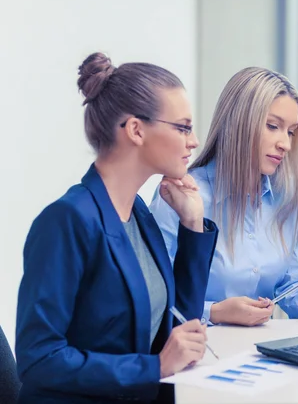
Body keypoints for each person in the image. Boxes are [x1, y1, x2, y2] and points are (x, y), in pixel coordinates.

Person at [16, 53, 218, 403]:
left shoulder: (138, 212)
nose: (194, 140)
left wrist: (192, 225)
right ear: (136, 129)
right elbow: (39, 359)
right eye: (183, 127)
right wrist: (153, 368)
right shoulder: (68, 220)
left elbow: (178, 324)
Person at [150, 66, 298, 327]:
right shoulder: (182, 197)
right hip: (196, 349)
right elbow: (154, 298)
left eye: (291, 131)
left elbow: (295, 286)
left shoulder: (288, 198)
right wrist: (214, 312)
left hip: (258, 353)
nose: (286, 143)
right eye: (273, 126)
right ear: (239, 123)